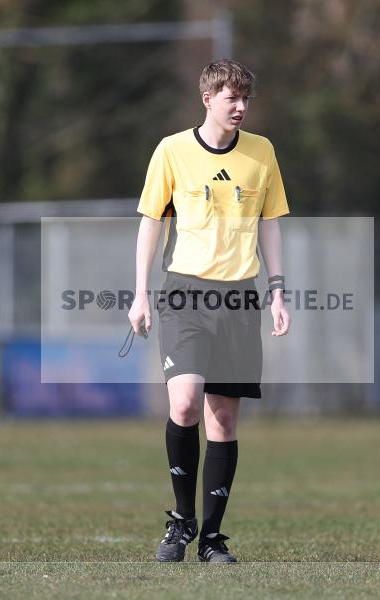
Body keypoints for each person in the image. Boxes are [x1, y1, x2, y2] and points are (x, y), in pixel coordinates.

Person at [128, 58, 290, 563]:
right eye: (230, 98)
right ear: (207, 99)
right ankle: (182, 521)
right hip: (185, 294)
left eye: (245, 99)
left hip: (239, 297)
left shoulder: (262, 152)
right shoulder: (172, 150)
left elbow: (270, 223)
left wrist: (278, 290)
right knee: (184, 404)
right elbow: (151, 222)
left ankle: (212, 539)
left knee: (222, 417)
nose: (240, 107)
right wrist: (140, 293)